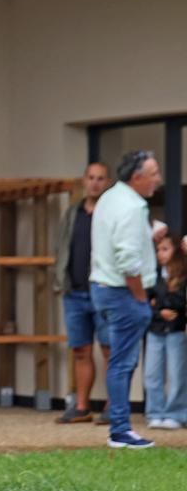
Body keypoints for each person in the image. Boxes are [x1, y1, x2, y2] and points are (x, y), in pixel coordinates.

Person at [90, 149, 162, 449]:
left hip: (102, 288)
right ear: (138, 177)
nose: (158, 179)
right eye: (154, 173)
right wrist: (141, 297)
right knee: (122, 362)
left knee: (118, 361)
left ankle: (120, 427)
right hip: (123, 292)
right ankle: (120, 429)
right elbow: (129, 261)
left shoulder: (110, 197)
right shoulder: (133, 208)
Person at [54, 162, 113, 424]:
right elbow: (62, 248)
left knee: (110, 350)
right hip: (75, 292)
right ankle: (81, 406)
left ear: (107, 182)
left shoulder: (111, 213)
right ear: (84, 180)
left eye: (100, 178)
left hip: (104, 290)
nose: (95, 183)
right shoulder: (72, 214)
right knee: (80, 350)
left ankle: (114, 406)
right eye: (91, 178)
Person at [144, 232, 187, 430]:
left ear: (176, 251)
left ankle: (176, 413)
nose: (160, 253)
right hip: (155, 329)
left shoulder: (183, 275)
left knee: (177, 373)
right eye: (158, 249)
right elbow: (146, 300)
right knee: (152, 373)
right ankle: (155, 412)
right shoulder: (153, 275)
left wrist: (160, 303)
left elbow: (180, 301)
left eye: (165, 249)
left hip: (176, 330)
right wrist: (161, 309)